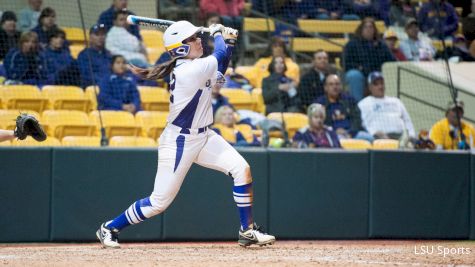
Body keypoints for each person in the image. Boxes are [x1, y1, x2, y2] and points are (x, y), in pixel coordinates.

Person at [96, 21, 275, 248]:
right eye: (192, 39)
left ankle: (247, 230)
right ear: (180, 48)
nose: (198, 40)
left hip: (204, 136)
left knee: (242, 169)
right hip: (179, 141)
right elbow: (219, 53)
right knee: (158, 202)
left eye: (197, 37)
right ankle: (110, 227)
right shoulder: (189, 70)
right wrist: (220, 34)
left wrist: (227, 41)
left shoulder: (197, 66)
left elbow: (220, 67)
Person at [343, 17, 395, 102]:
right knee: (353, 75)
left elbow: (391, 62)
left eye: (371, 27)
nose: (368, 29)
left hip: (378, 74)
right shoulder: (352, 44)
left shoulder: (381, 45)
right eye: (366, 27)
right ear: (361, 29)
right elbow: (346, 63)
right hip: (360, 74)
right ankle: (357, 106)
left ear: (374, 30)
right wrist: (360, 68)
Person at [358, 72, 416, 140]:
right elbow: (363, 124)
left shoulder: (396, 101)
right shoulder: (364, 103)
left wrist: (412, 136)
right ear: (370, 87)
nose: (380, 87)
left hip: (401, 137)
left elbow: (407, 120)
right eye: (376, 84)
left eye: (382, 83)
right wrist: (373, 133)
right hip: (378, 139)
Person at [315, 74, 372, 141]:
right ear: (325, 88)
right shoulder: (319, 103)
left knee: (369, 138)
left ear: (341, 86)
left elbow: (357, 119)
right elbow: (319, 123)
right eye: (331, 84)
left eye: (337, 84)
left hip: (352, 133)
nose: (335, 87)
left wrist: (350, 133)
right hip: (331, 135)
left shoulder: (350, 100)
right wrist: (334, 131)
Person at [77, 24, 112, 88]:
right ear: (90, 38)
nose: (100, 37)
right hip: (94, 89)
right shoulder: (84, 55)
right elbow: (86, 76)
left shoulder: (110, 55)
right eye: (97, 35)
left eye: (103, 34)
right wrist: (106, 82)